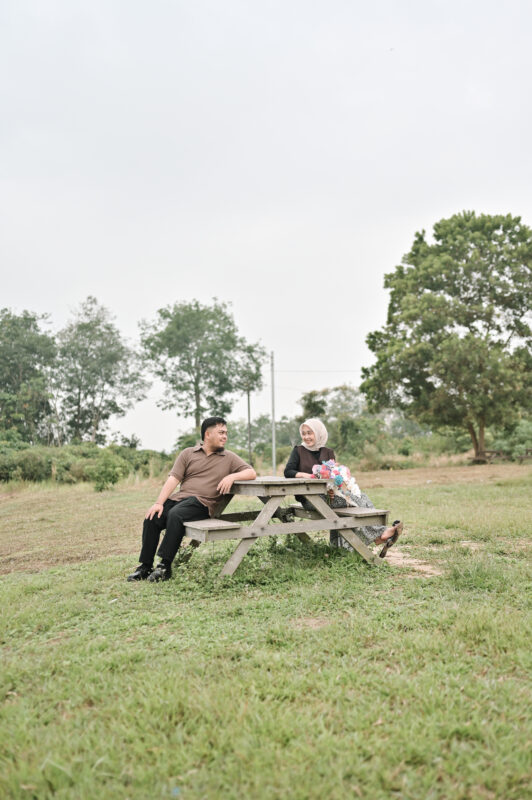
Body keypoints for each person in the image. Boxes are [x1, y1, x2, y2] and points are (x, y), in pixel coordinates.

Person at [127, 416, 256, 582]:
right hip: (180, 499)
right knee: (152, 517)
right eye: (221, 432)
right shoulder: (188, 453)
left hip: (203, 503)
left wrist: (232, 476)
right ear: (207, 434)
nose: (225, 436)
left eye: (226, 433)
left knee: (176, 514)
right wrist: (159, 503)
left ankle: (164, 566)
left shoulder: (229, 457)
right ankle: (145, 566)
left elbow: (251, 472)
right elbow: (173, 479)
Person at [284, 418, 402, 551]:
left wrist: (335, 484)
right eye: (304, 433)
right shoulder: (298, 451)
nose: (306, 437)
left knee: (362, 497)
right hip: (310, 499)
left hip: (329, 496)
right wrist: (306, 475)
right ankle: (380, 534)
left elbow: (334, 476)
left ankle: (347, 546)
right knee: (356, 501)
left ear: (318, 433)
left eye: (309, 433)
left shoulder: (328, 452)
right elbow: (288, 471)